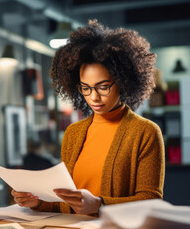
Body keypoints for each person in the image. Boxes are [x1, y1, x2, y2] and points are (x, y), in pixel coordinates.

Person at [11, 19, 165, 215]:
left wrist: (99, 205)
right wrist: (36, 202)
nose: (94, 97)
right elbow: (64, 202)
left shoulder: (145, 132)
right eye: (86, 88)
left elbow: (151, 201)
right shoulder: (73, 133)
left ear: (123, 82)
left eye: (102, 87)